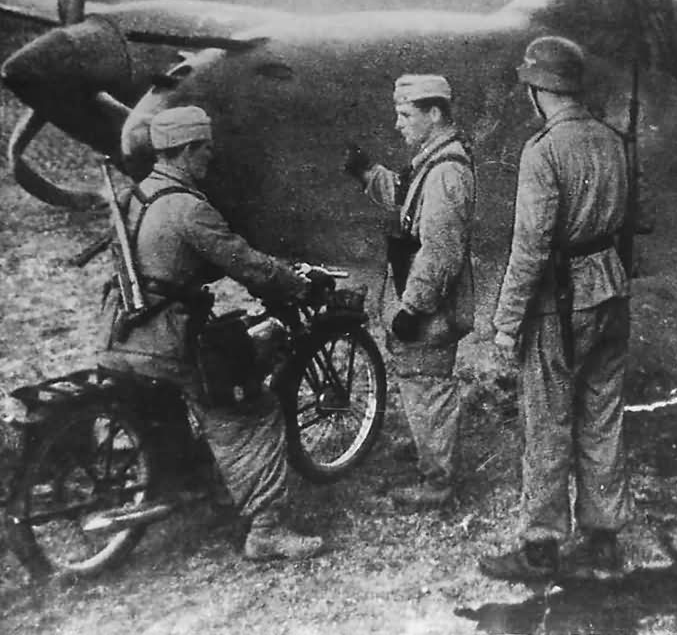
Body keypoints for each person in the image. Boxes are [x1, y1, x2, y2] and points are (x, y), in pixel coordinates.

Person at [99, 105, 324, 562]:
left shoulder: (134, 197)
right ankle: (266, 530)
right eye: (205, 151)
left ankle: (206, 488)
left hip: (118, 338)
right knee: (254, 411)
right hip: (163, 343)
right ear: (184, 150)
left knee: (173, 415)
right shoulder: (187, 207)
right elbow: (241, 261)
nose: (210, 159)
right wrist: (296, 284)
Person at [479, 35, 633, 582]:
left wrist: (506, 324)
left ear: (538, 90)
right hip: (612, 291)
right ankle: (603, 541)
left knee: (547, 421)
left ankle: (541, 549)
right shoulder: (614, 141)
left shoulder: (543, 151)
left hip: (560, 302)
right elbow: (635, 220)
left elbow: (532, 246)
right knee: (602, 415)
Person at [344, 74, 475, 509]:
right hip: (419, 297)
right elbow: (405, 200)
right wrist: (367, 173)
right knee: (418, 381)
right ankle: (429, 450)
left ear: (434, 113)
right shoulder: (431, 161)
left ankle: (437, 482)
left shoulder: (445, 172)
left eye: (405, 115)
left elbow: (439, 252)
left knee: (428, 385)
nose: (398, 124)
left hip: (428, 305)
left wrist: (413, 309)